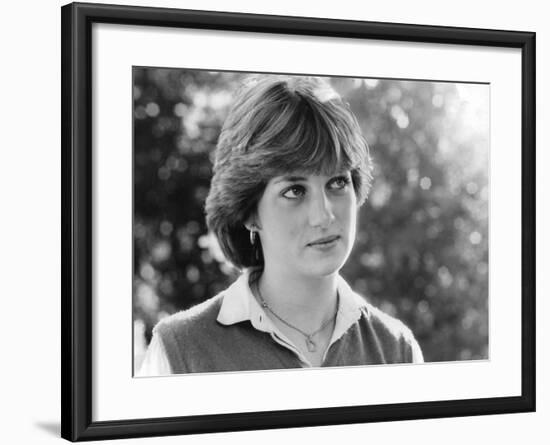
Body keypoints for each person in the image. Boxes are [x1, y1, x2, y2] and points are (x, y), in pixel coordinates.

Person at [138, 75, 423, 375]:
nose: (323, 215)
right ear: (249, 212)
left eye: (337, 182)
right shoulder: (179, 352)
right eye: (294, 191)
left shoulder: (397, 351)